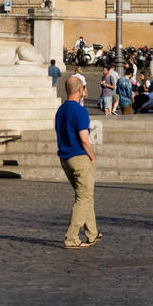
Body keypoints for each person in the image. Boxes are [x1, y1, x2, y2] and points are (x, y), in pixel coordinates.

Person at [55, 74, 101, 249]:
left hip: (65, 158)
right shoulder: (80, 111)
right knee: (83, 198)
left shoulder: (61, 110)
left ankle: (92, 233)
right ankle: (71, 237)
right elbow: (84, 138)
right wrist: (92, 156)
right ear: (80, 90)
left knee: (84, 196)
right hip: (79, 157)